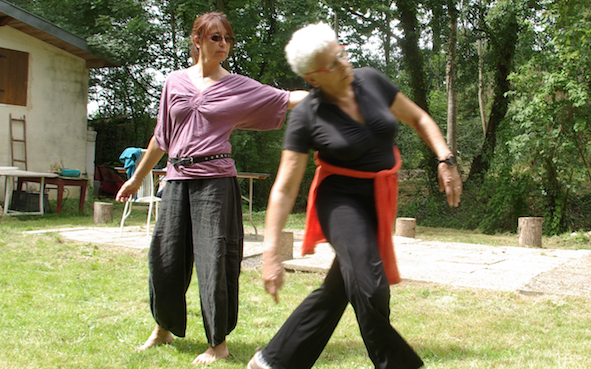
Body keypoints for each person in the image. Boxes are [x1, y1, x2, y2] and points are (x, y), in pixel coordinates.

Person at [248, 22, 462, 369]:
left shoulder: (371, 81)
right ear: (314, 78)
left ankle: (273, 361)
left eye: (342, 53)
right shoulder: (307, 115)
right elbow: (285, 188)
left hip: (378, 198)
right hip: (340, 200)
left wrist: (445, 159)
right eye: (333, 63)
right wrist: (271, 253)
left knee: (339, 289)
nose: (345, 64)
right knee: (370, 286)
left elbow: (419, 118)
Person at [115, 12, 307, 365]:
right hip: (175, 180)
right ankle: (163, 327)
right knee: (164, 259)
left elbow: (285, 98)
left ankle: (218, 343)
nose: (223, 45)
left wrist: (333, 95)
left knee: (215, 262)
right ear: (197, 40)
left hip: (216, 183)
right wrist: (137, 177)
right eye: (215, 37)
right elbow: (161, 136)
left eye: (227, 39)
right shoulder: (174, 82)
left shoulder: (237, 85)